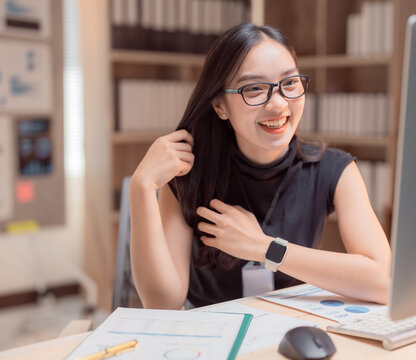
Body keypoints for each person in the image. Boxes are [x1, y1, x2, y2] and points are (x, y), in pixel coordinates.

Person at [129, 23, 391, 310]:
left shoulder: (334, 168)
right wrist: (140, 187)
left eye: (289, 83)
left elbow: (380, 281)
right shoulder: (189, 174)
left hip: (290, 330)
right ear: (220, 106)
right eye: (254, 89)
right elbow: (162, 304)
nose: (278, 104)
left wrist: (264, 247)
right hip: (212, 336)